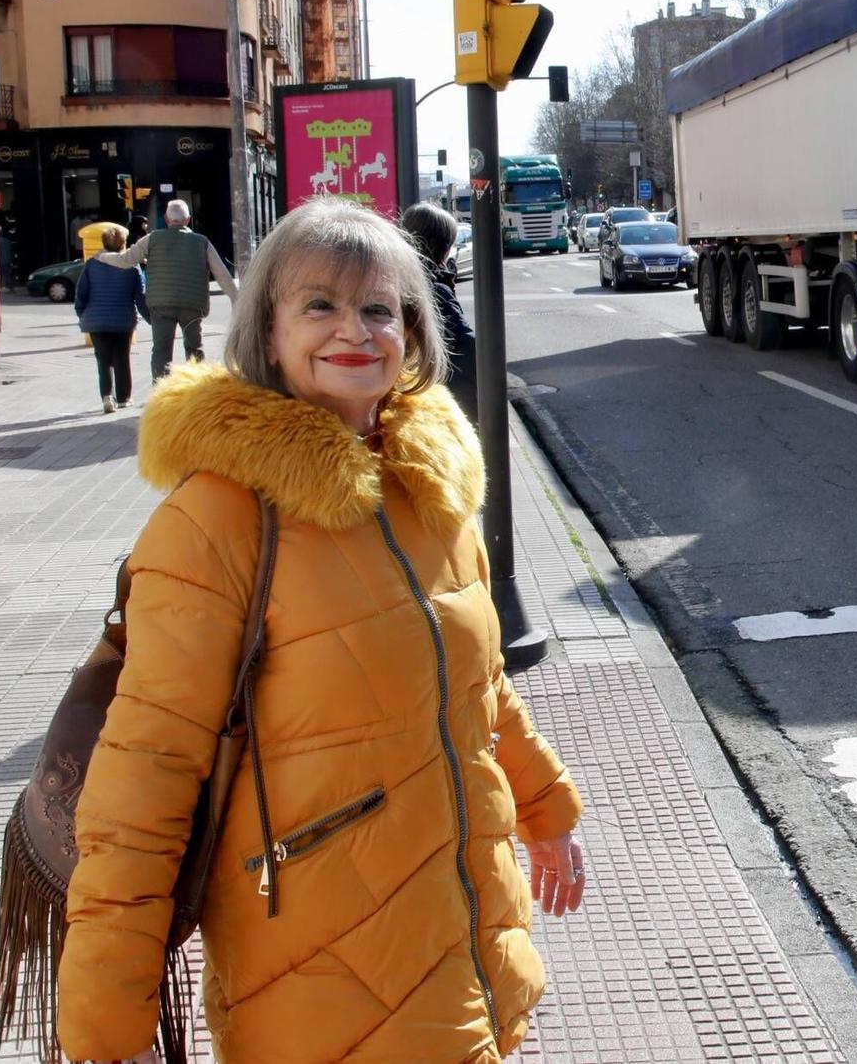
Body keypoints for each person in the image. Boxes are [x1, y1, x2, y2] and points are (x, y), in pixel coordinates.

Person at [55, 199, 586, 1064]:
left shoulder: (429, 491)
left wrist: (546, 806)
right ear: (267, 334)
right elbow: (142, 784)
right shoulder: (216, 519)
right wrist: (110, 1025)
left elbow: (477, 686)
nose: (355, 331)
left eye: (379, 308)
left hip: (466, 939)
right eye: (320, 306)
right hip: (313, 974)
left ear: (412, 334)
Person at [114, 199, 239, 380]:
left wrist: (102, 257)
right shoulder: (201, 242)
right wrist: (235, 298)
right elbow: (221, 273)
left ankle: (161, 393)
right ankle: (196, 389)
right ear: (188, 220)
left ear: (166, 218)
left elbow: (125, 260)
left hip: (161, 305)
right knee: (194, 348)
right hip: (192, 305)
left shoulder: (152, 239)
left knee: (161, 351)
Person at [400, 200, 479, 420]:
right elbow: (467, 346)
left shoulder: (398, 281)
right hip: (443, 402)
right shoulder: (434, 291)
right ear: (441, 247)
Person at [73, 225, 150, 413]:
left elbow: (81, 293)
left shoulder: (91, 264)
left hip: (96, 321)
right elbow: (140, 297)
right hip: (123, 320)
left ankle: (107, 396)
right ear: (123, 243)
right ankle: (124, 398)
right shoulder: (132, 267)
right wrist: (150, 319)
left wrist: (82, 314)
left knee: (103, 360)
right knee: (122, 359)